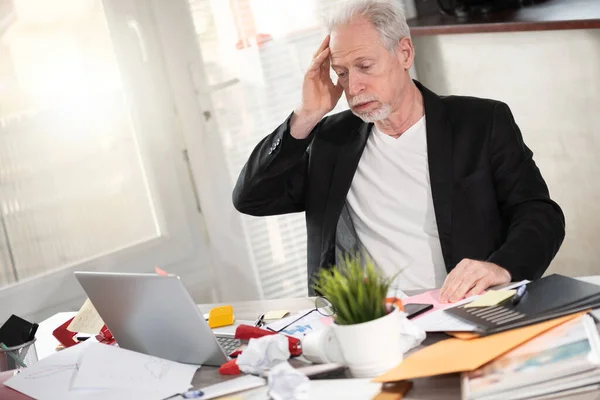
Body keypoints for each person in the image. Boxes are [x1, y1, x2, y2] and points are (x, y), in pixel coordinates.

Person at [232, 0, 565, 303]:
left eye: (364, 66)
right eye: (342, 73)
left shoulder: (480, 122)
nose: (353, 87)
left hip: (467, 304)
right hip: (374, 321)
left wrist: (501, 267)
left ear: (405, 53)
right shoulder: (330, 141)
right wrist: (305, 117)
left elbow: (540, 213)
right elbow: (252, 198)